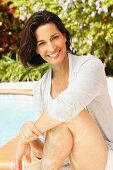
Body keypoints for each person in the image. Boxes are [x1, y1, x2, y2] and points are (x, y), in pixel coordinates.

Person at [15, 10, 113, 170]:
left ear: (64, 36)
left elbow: (66, 106)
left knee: (69, 114)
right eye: (42, 43)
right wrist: (28, 136)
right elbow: (47, 151)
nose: (51, 47)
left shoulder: (90, 66)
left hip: (103, 158)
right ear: (36, 50)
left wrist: (27, 135)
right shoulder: (41, 87)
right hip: (68, 163)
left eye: (55, 37)